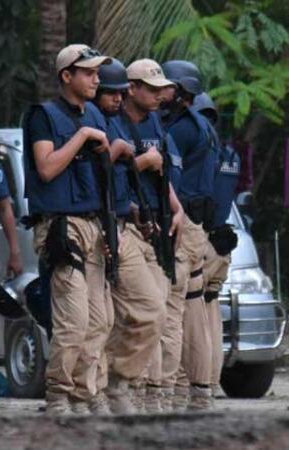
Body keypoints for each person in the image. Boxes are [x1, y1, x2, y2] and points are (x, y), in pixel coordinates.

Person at [23, 44, 115, 415]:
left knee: (100, 321)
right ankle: (58, 397)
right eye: (88, 72)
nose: (96, 79)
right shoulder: (42, 116)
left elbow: (104, 178)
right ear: (67, 76)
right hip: (61, 227)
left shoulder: (94, 113)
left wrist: (109, 230)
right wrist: (82, 136)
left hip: (94, 224)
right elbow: (46, 168)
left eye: (97, 73)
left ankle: (83, 396)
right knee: (73, 320)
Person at [99, 59, 184, 413]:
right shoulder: (109, 121)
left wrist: (176, 208)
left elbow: (160, 172)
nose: (158, 95)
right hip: (120, 223)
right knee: (127, 314)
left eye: (160, 89)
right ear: (131, 89)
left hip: (152, 226)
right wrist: (142, 163)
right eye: (150, 89)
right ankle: (110, 386)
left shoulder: (155, 122)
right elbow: (103, 176)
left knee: (154, 314)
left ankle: (118, 384)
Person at [161, 59, 218, 410]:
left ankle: (172, 392)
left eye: (166, 86)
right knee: (192, 309)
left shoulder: (182, 129)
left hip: (183, 227)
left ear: (180, 91)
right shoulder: (204, 127)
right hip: (197, 226)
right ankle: (195, 392)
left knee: (171, 310)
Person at [193, 92, 240, 400]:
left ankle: (197, 383)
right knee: (210, 311)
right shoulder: (231, 155)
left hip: (204, 240)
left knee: (193, 313)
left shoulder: (205, 154)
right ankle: (209, 382)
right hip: (222, 242)